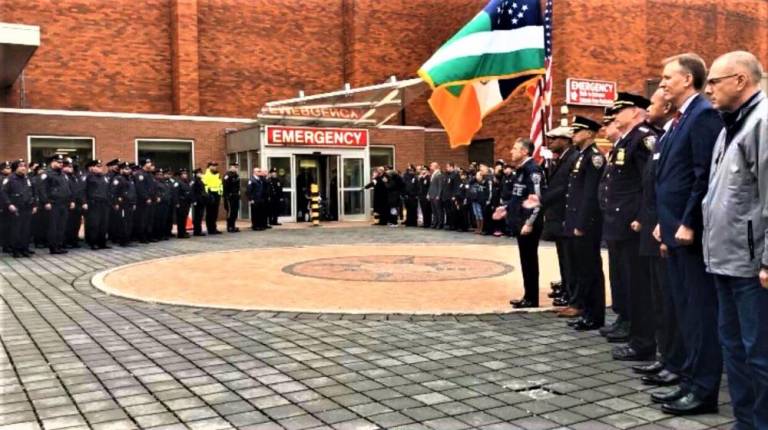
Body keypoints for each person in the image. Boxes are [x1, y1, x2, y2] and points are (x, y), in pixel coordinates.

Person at [652, 52, 723, 415]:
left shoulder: (703, 115)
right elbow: (669, 178)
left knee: (699, 313)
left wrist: (688, 222)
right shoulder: (681, 120)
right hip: (672, 230)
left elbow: (702, 176)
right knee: (685, 310)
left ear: (687, 80)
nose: (662, 83)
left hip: (689, 235)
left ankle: (703, 389)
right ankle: (689, 380)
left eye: (667, 77)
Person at [702, 51, 768, 429]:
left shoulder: (762, 122)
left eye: (714, 81)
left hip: (751, 266)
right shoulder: (730, 125)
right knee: (735, 350)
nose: (708, 89)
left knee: (759, 355)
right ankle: (744, 422)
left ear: (740, 80)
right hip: (724, 260)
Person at [633, 88, 686, 389]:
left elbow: (674, 188)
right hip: (656, 230)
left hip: (665, 232)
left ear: (666, 105)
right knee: (661, 300)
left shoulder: (666, 137)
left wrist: (667, 228)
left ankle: (675, 361)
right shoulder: (663, 137)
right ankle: (666, 358)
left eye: (651, 103)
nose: (647, 109)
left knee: (670, 301)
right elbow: (652, 190)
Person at [600, 92, 656, 357]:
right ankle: (633, 330)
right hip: (619, 220)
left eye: (619, 110)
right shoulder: (627, 141)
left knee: (637, 283)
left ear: (635, 112)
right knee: (624, 278)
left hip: (631, 222)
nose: (614, 116)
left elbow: (648, 182)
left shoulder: (642, 138)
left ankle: (641, 339)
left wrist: (641, 217)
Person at [563, 116, 606, 331]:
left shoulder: (595, 157)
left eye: (577, 131)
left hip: (586, 223)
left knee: (590, 270)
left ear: (589, 133)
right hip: (575, 220)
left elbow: (590, 195)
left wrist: (581, 223)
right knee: (581, 269)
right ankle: (586, 311)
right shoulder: (582, 156)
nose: (573, 134)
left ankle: (594, 315)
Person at [539, 126, 580, 312]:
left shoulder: (572, 158)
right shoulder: (562, 159)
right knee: (563, 258)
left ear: (565, 140)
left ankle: (571, 294)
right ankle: (566, 289)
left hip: (566, 216)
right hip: (558, 216)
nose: (551, 142)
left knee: (571, 260)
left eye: (555, 139)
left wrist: (541, 199)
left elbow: (564, 188)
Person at [507, 138, 544, 309]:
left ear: (525, 152)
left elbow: (536, 200)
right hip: (520, 222)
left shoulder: (532, 170)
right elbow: (518, 197)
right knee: (525, 260)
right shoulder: (521, 170)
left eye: (515, 148)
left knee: (529, 261)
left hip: (528, 224)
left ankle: (532, 298)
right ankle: (528, 295)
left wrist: (529, 223)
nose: (511, 151)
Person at [1, 160, 37, 258]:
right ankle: (16, 250)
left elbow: (32, 192)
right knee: (16, 230)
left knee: (26, 230)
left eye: (24, 166)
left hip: (27, 207)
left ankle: (24, 249)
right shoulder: (10, 179)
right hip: (16, 207)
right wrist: (9, 204)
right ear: (15, 167)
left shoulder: (27, 178)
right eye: (21, 166)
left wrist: (34, 205)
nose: (23, 168)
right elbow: (3, 193)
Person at [41, 154, 73, 254]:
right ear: (52, 162)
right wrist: (46, 202)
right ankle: (53, 247)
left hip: (64, 203)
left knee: (61, 226)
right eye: (58, 162)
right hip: (54, 203)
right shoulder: (47, 174)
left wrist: (71, 200)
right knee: (53, 227)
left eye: (61, 162)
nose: (61, 164)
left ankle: (59, 245)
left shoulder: (62, 174)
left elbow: (67, 188)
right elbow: (42, 189)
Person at [85, 159, 111, 250]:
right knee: (94, 224)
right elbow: (83, 190)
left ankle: (102, 242)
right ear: (92, 167)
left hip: (104, 203)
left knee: (104, 224)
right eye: (98, 166)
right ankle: (93, 243)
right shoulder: (88, 177)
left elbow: (108, 190)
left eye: (101, 166)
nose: (100, 168)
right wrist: (84, 202)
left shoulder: (104, 177)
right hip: (94, 203)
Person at [110, 162, 135, 247]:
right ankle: (122, 240)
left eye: (129, 169)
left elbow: (133, 192)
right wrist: (116, 202)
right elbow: (113, 192)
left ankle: (127, 239)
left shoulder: (130, 179)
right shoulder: (118, 179)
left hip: (130, 204)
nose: (128, 171)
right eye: (126, 169)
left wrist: (134, 202)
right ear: (121, 170)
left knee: (129, 222)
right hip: (122, 204)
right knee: (122, 223)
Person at [65, 161, 86, 249]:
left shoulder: (75, 177)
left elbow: (79, 190)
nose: (71, 168)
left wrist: (83, 202)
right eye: (69, 166)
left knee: (76, 223)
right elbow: (67, 191)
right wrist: (71, 201)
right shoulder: (64, 177)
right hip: (69, 203)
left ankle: (74, 240)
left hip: (78, 203)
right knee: (68, 224)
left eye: (72, 167)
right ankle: (67, 241)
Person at [152, 168, 171, 241]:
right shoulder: (155, 182)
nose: (160, 176)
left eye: (161, 174)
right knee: (157, 220)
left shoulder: (164, 182)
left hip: (165, 203)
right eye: (158, 175)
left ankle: (162, 234)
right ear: (155, 175)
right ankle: (156, 235)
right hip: (159, 204)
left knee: (163, 220)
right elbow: (155, 192)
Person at [223, 162, 241, 233]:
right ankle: (229, 227)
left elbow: (237, 186)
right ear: (231, 167)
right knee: (230, 212)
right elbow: (225, 186)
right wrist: (227, 196)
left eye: (237, 167)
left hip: (235, 196)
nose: (236, 168)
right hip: (229, 197)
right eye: (235, 167)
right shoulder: (227, 175)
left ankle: (233, 225)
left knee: (235, 212)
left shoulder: (236, 175)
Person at [174, 168, 192, 239]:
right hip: (181, 203)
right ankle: (180, 233)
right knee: (180, 219)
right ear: (180, 175)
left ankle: (183, 231)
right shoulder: (177, 182)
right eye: (183, 174)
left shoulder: (186, 182)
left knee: (184, 218)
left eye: (186, 174)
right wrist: (177, 203)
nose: (185, 175)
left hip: (186, 203)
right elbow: (175, 194)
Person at [190, 167, 207, 236]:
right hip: (197, 200)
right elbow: (192, 191)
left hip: (201, 200)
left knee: (200, 216)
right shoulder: (194, 180)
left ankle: (198, 230)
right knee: (197, 216)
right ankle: (197, 231)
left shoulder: (200, 180)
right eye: (199, 173)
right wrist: (194, 200)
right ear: (196, 174)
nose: (201, 174)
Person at [0, 161, 12, 254]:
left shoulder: (10, 178)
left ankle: (9, 244)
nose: (9, 170)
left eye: (10, 168)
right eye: (7, 168)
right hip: (2, 206)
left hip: (9, 205)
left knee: (10, 226)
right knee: (4, 226)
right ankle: (5, 245)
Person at [427, 162, 444, 229]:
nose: (430, 166)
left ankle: (440, 223)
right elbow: (431, 185)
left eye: (431, 165)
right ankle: (435, 222)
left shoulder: (439, 174)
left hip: (436, 195)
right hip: (432, 194)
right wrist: (428, 193)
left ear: (435, 166)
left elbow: (440, 186)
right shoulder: (433, 174)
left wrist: (438, 195)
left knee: (438, 210)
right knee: (434, 210)